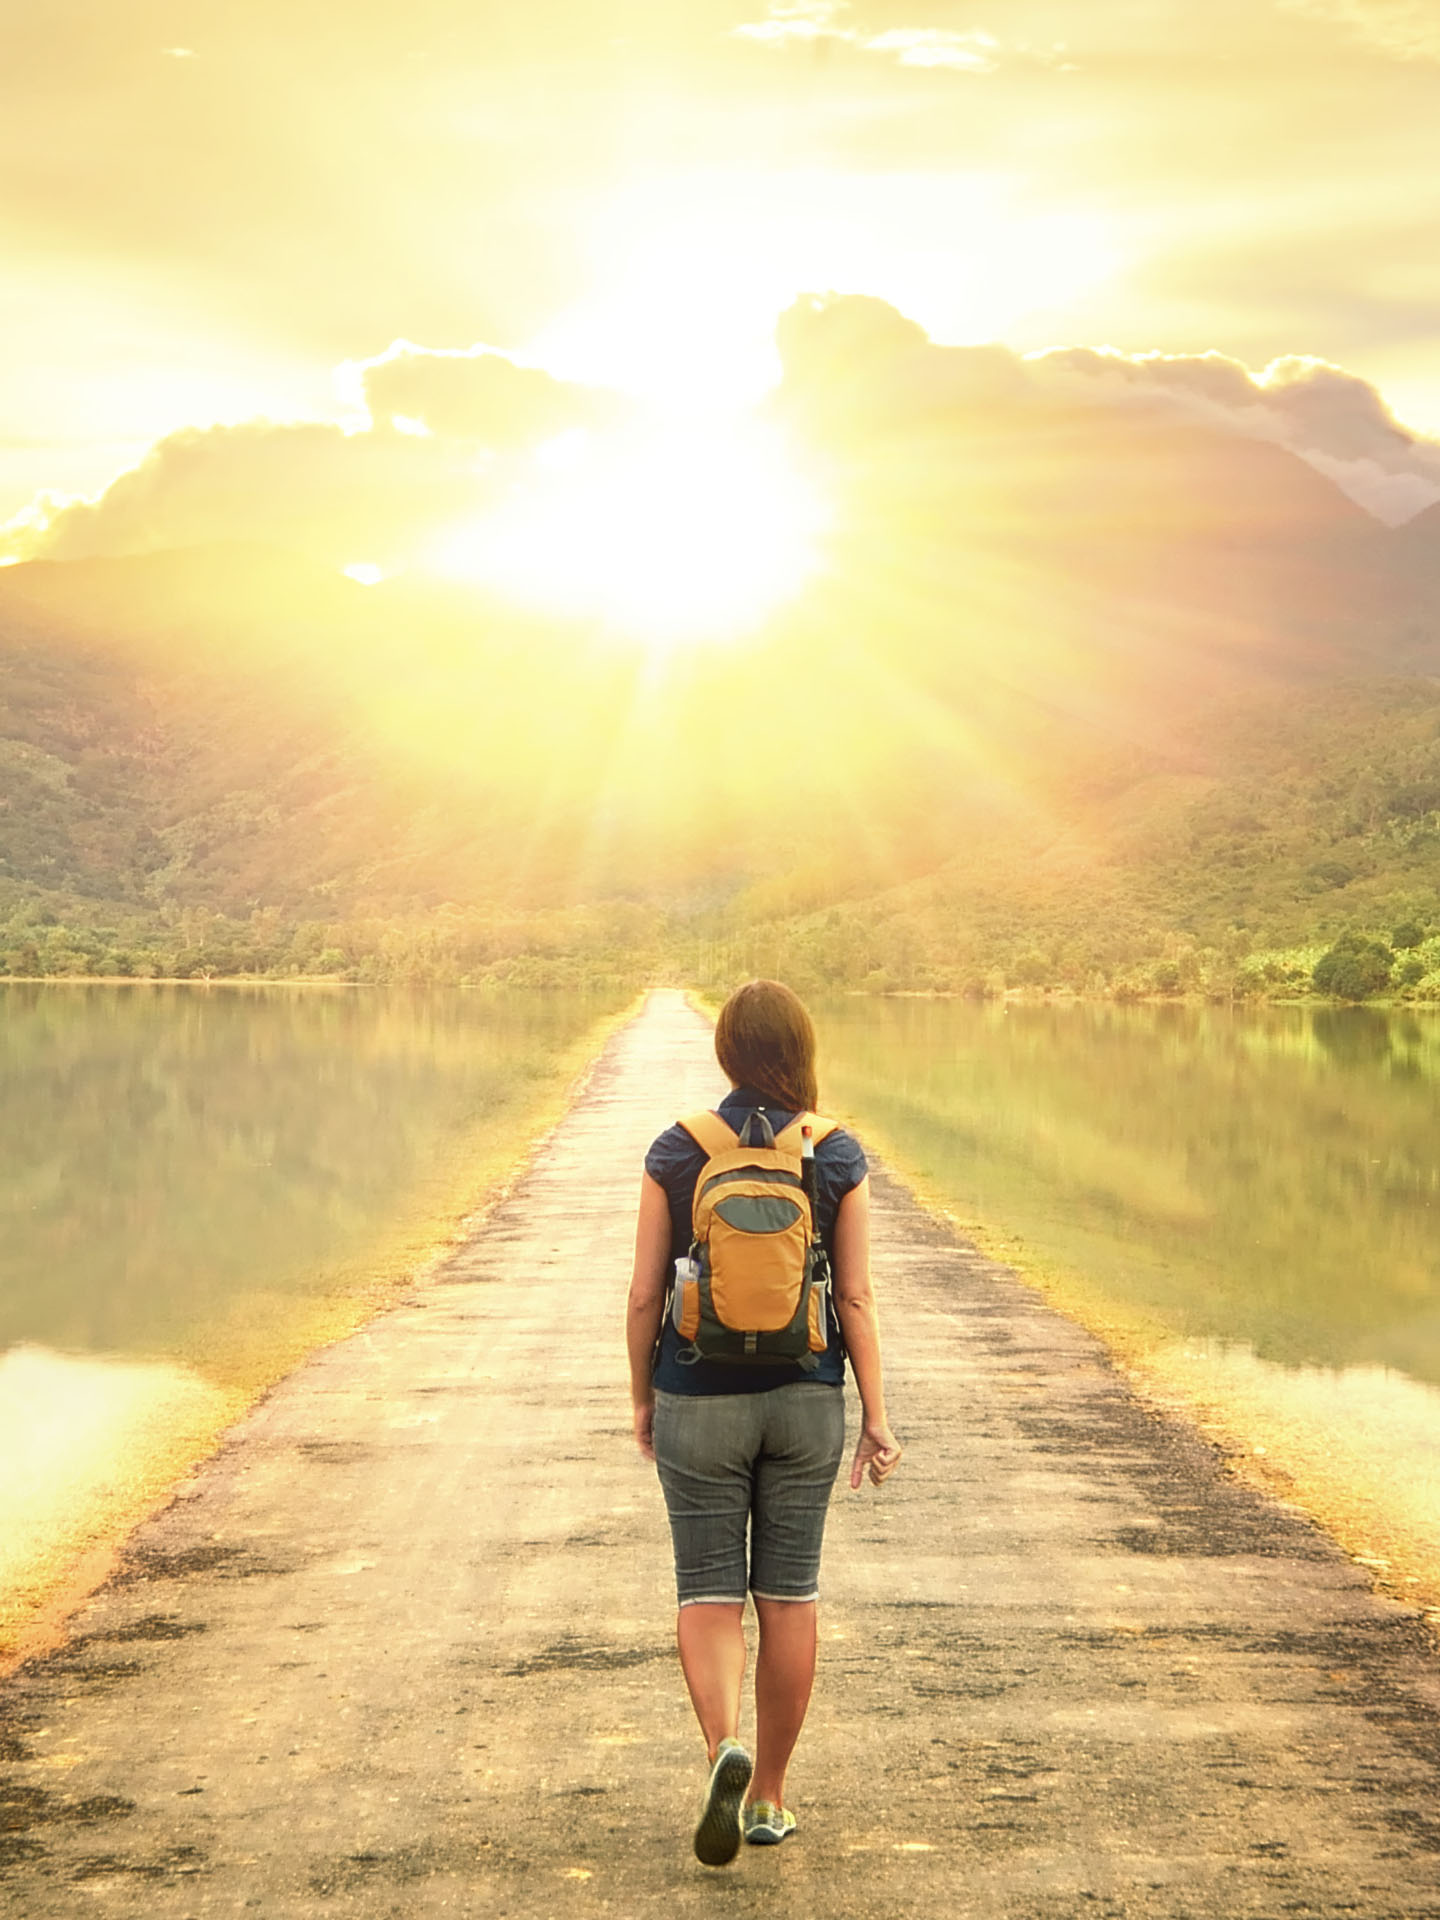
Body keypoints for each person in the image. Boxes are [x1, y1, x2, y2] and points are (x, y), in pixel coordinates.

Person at [626, 979, 902, 1867]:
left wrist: (643, 1395)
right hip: (807, 1397)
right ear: (801, 1048)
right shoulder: (835, 1152)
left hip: (696, 1395)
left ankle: (722, 1753)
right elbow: (853, 1295)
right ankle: (771, 1798)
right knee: (790, 1594)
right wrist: (876, 1418)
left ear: (726, 1054)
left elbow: (642, 1296)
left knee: (706, 1588)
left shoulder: (679, 1148)